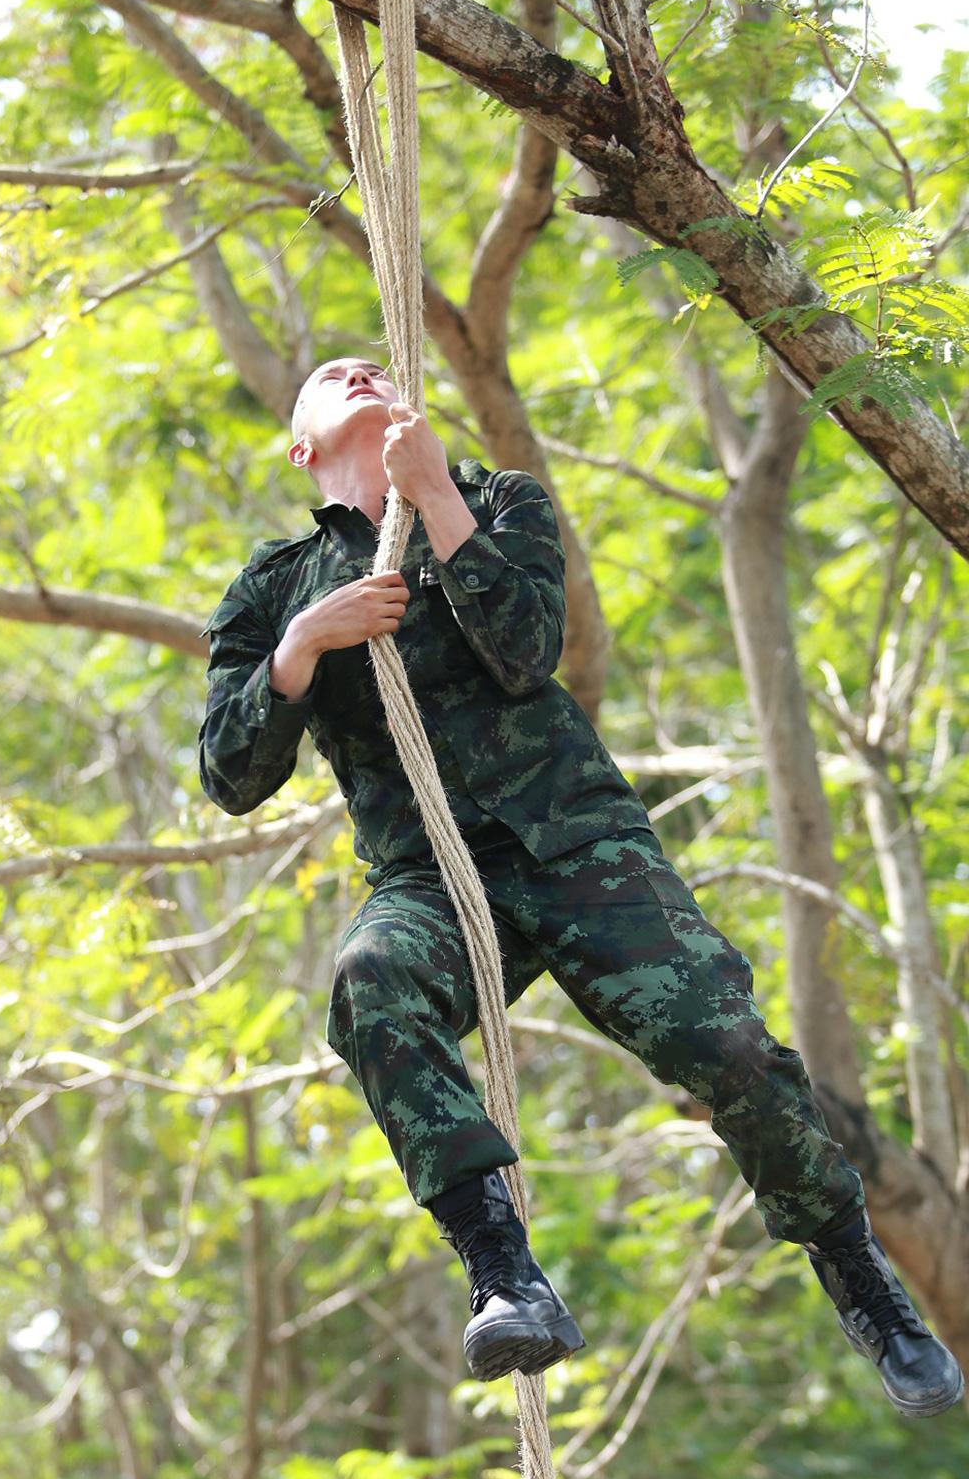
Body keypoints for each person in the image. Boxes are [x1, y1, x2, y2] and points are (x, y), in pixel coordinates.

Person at [197, 353, 963, 1416]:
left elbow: (526, 652)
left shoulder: (497, 501)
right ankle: (501, 1273)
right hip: (431, 873)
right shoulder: (273, 586)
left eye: (372, 363)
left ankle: (863, 1282)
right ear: (300, 446)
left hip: (579, 845)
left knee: (728, 1045)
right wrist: (300, 646)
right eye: (334, 374)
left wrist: (436, 500)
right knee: (370, 980)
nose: (359, 370)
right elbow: (230, 775)